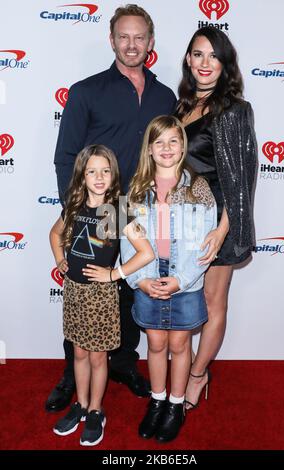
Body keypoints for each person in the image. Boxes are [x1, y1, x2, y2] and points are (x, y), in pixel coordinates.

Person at [46, 4, 176, 412]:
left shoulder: (164, 95)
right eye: (124, 36)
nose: (132, 44)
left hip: (140, 210)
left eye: (140, 37)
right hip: (97, 211)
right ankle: (73, 372)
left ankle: (122, 363)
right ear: (112, 40)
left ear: (150, 42)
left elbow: (169, 153)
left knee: (125, 291)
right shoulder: (86, 91)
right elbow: (66, 156)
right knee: (86, 289)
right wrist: (77, 213)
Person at [172, 26, 257, 410]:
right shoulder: (180, 106)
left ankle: (197, 374)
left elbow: (242, 176)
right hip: (181, 220)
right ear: (188, 60)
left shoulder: (234, 109)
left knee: (212, 299)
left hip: (217, 219)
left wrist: (223, 230)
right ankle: (180, 370)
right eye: (197, 54)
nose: (205, 63)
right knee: (187, 300)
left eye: (213, 55)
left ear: (225, 63)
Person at [50, 144, 154, 446]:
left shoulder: (115, 210)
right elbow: (54, 234)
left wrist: (114, 274)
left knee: (97, 357)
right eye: (92, 171)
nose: (99, 177)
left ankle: (96, 410)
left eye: (105, 171)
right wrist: (60, 259)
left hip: (101, 297)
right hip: (74, 293)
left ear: (113, 175)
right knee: (79, 353)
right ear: (82, 175)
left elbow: (145, 252)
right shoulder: (73, 205)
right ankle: (80, 405)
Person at [121, 115, 217, 442]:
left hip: (185, 279)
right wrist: (141, 280)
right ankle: (157, 400)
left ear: (182, 146)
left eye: (173, 141)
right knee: (156, 342)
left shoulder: (199, 188)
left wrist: (182, 280)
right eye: (159, 142)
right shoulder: (133, 189)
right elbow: (126, 240)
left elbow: (206, 245)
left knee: (179, 342)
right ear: (149, 149)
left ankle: (176, 405)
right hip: (148, 275)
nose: (166, 148)